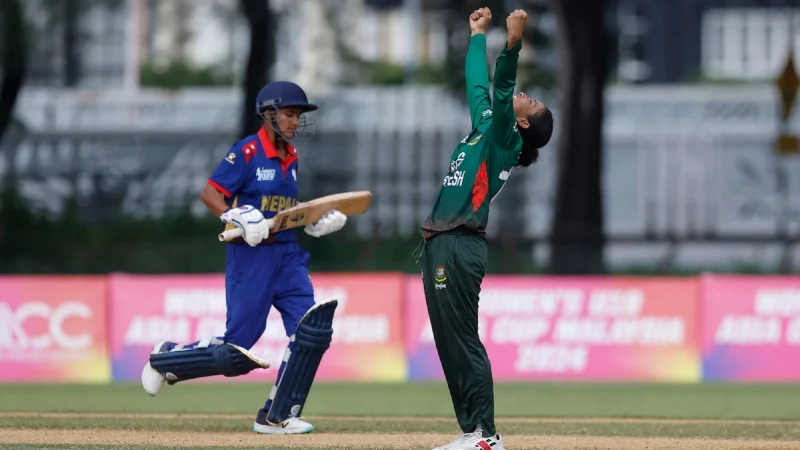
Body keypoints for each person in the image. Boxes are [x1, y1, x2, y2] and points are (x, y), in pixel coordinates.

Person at [140, 81, 348, 435]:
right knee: (236, 349)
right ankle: (168, 357)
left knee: (311, 332)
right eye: (289, 114)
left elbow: (283, 208)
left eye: (298, 116)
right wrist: (234, 216)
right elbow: (211, 194)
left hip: (288, 257)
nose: (295, 122)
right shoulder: (247, 152)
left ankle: (277, 416)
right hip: (251, 258)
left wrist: (312, 219)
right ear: (269, 114)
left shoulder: (292, 157)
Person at [413, 7, 554, 450]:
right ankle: (472, 431)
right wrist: (476, 36)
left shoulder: (505, 139)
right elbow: (478, 85)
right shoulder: (486, 127)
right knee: (448, 342)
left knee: (463, 341)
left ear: (524, 123)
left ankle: (487, 435)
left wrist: (512, 42)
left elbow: (502, 86)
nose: (527, 96)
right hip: (440, 241)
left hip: (460, 243)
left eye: (532, 103)